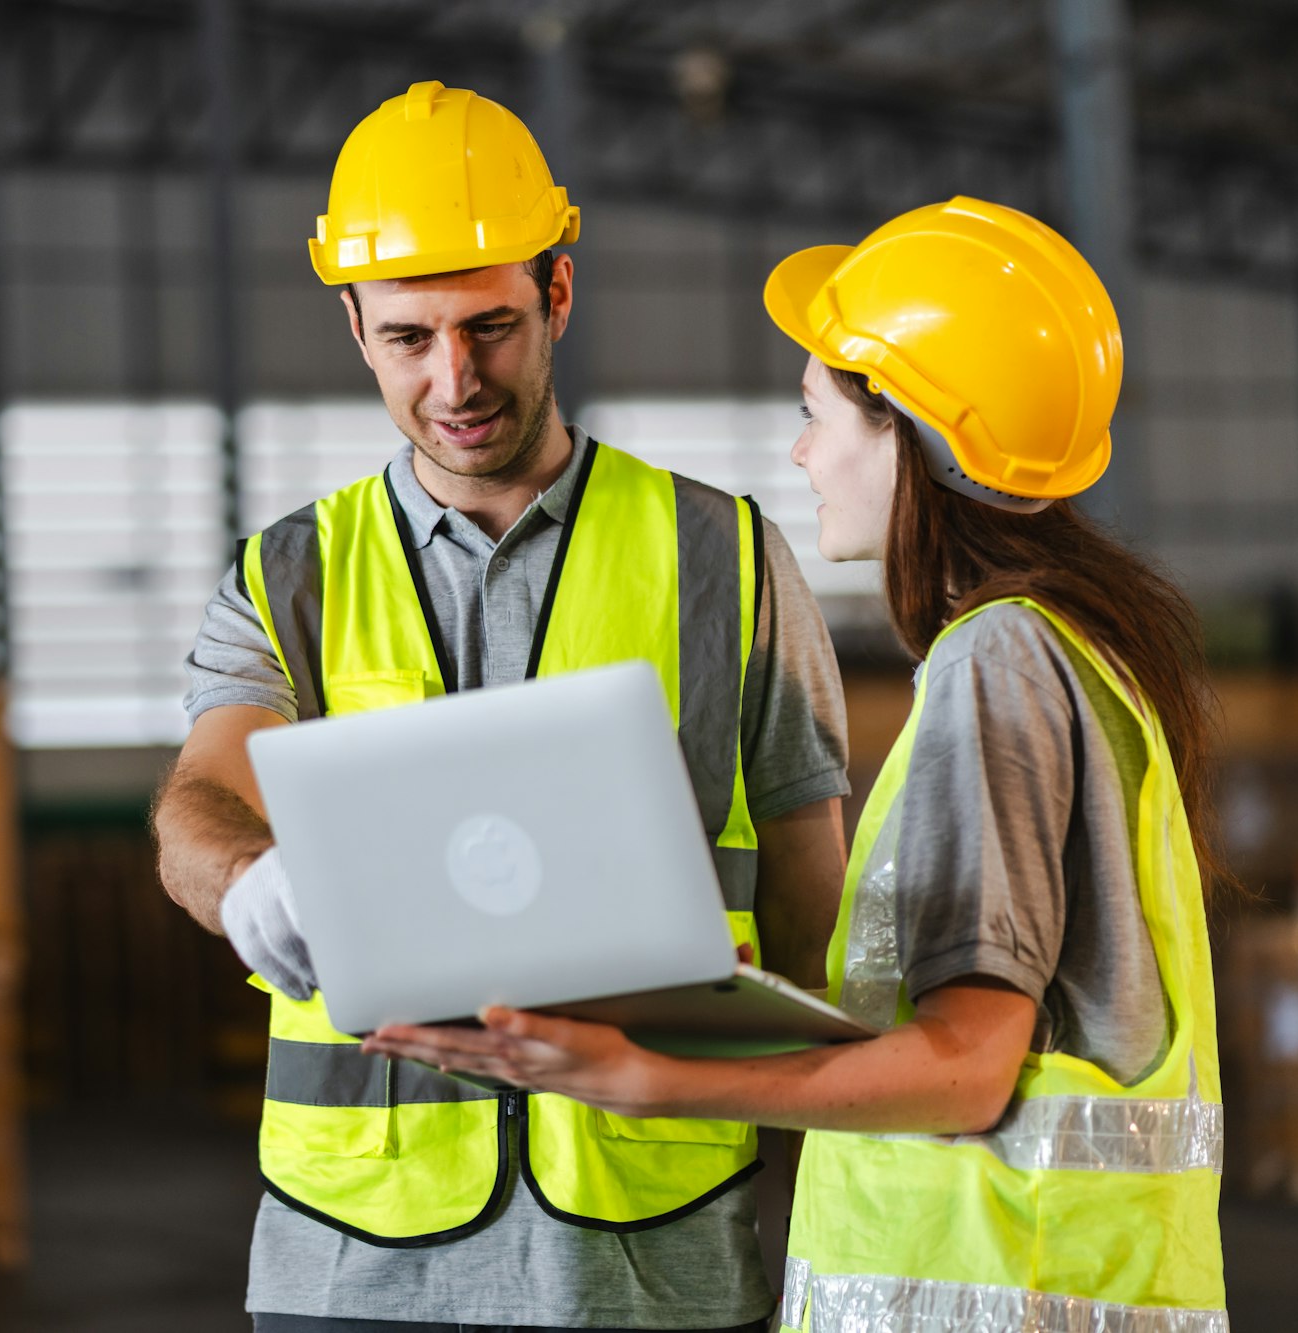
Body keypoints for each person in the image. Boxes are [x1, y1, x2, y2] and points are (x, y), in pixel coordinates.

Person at [365, 196, 1232, 1333]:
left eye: (817, 412)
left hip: (991, 1294)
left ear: (907, 433)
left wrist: (642, 1078)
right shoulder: (1080, 647)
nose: (801, 450)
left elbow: (969, 1066)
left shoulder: (999, 659)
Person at [153, 81, 855, 1331]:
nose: (455, 377)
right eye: (408, 337)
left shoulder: (726, 558)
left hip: (652, 1249)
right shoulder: (290, 577)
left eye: (490, 326)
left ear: (559, 295)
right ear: (354, 329)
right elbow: (203, 797)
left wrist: (841, 1149)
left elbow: (811, 884)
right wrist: (249, 874)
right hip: (352, 1258)